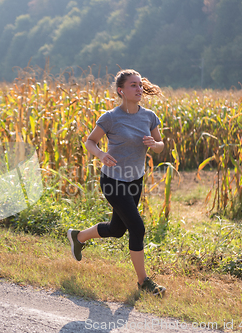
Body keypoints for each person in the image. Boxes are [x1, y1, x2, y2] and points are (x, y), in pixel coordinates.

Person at [67, 69, 166, 296]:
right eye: (133, 85)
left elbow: (161, 145)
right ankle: (143, 281)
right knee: (137, 227)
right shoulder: (110, 117)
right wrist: (101, 155)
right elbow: (90, 142)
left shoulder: (149, 116)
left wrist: (154, 144)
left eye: (140, 85)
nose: (139, 89)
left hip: (135, 181)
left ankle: (78, 236)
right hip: (113, 180)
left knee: (117, 229)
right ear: (121, 90)